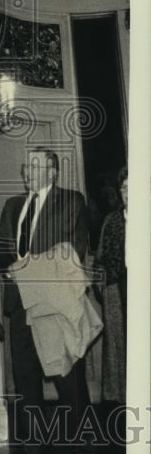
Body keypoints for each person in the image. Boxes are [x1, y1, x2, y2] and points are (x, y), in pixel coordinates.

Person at [0, 146, 91, 454]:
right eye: (26, 166)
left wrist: (33, 268)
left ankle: (79, 450)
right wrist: (11, 267)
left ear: (52, 171)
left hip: (52, 300)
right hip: (20, 302)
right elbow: (0, 247)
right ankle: (33, 449)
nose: (27, 171)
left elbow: (74, 249)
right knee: (26, 376)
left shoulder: (71, 201)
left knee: (66, 375)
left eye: (35, 165)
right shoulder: (13, 205)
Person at [94, 166, 127, 406]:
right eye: (124, 188)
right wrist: (102, 282)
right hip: (117, 289)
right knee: (120, 348)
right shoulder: (112, 220)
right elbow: (100, 260)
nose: (127, 192)